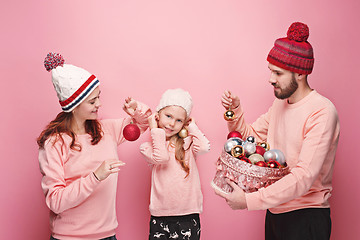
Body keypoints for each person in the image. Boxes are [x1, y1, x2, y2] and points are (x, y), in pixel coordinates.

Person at [215, 22, 340, 240]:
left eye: (278, 73)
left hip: (306, 217)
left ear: (300, 73)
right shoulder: (280, 105)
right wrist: (235, 111)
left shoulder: (322, 111)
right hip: (275, 212)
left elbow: (303, 177)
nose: (271, 79)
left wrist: (248, 201)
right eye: (271, 71)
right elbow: (249, 137)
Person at [37, 52, 151, 240]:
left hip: (108, 236)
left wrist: (135, 109)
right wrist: (96, 176)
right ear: (74, 105)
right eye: (92, 101)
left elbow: (144, 124)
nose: (99, 104)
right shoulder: (55, 142)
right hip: (69, 237)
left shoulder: (107, 129)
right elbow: (55, 200)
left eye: (98, 97)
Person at [140, 88, 210, 240]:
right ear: (157, 116)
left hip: (188, 215)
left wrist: (192, 126)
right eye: (168, 116)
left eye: (179, 120)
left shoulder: (187, 144)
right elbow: (161, 158)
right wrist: (153, 128)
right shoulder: (148, 148)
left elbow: (204, 147)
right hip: (160, 216)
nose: (172, 124)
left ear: (184, 123)